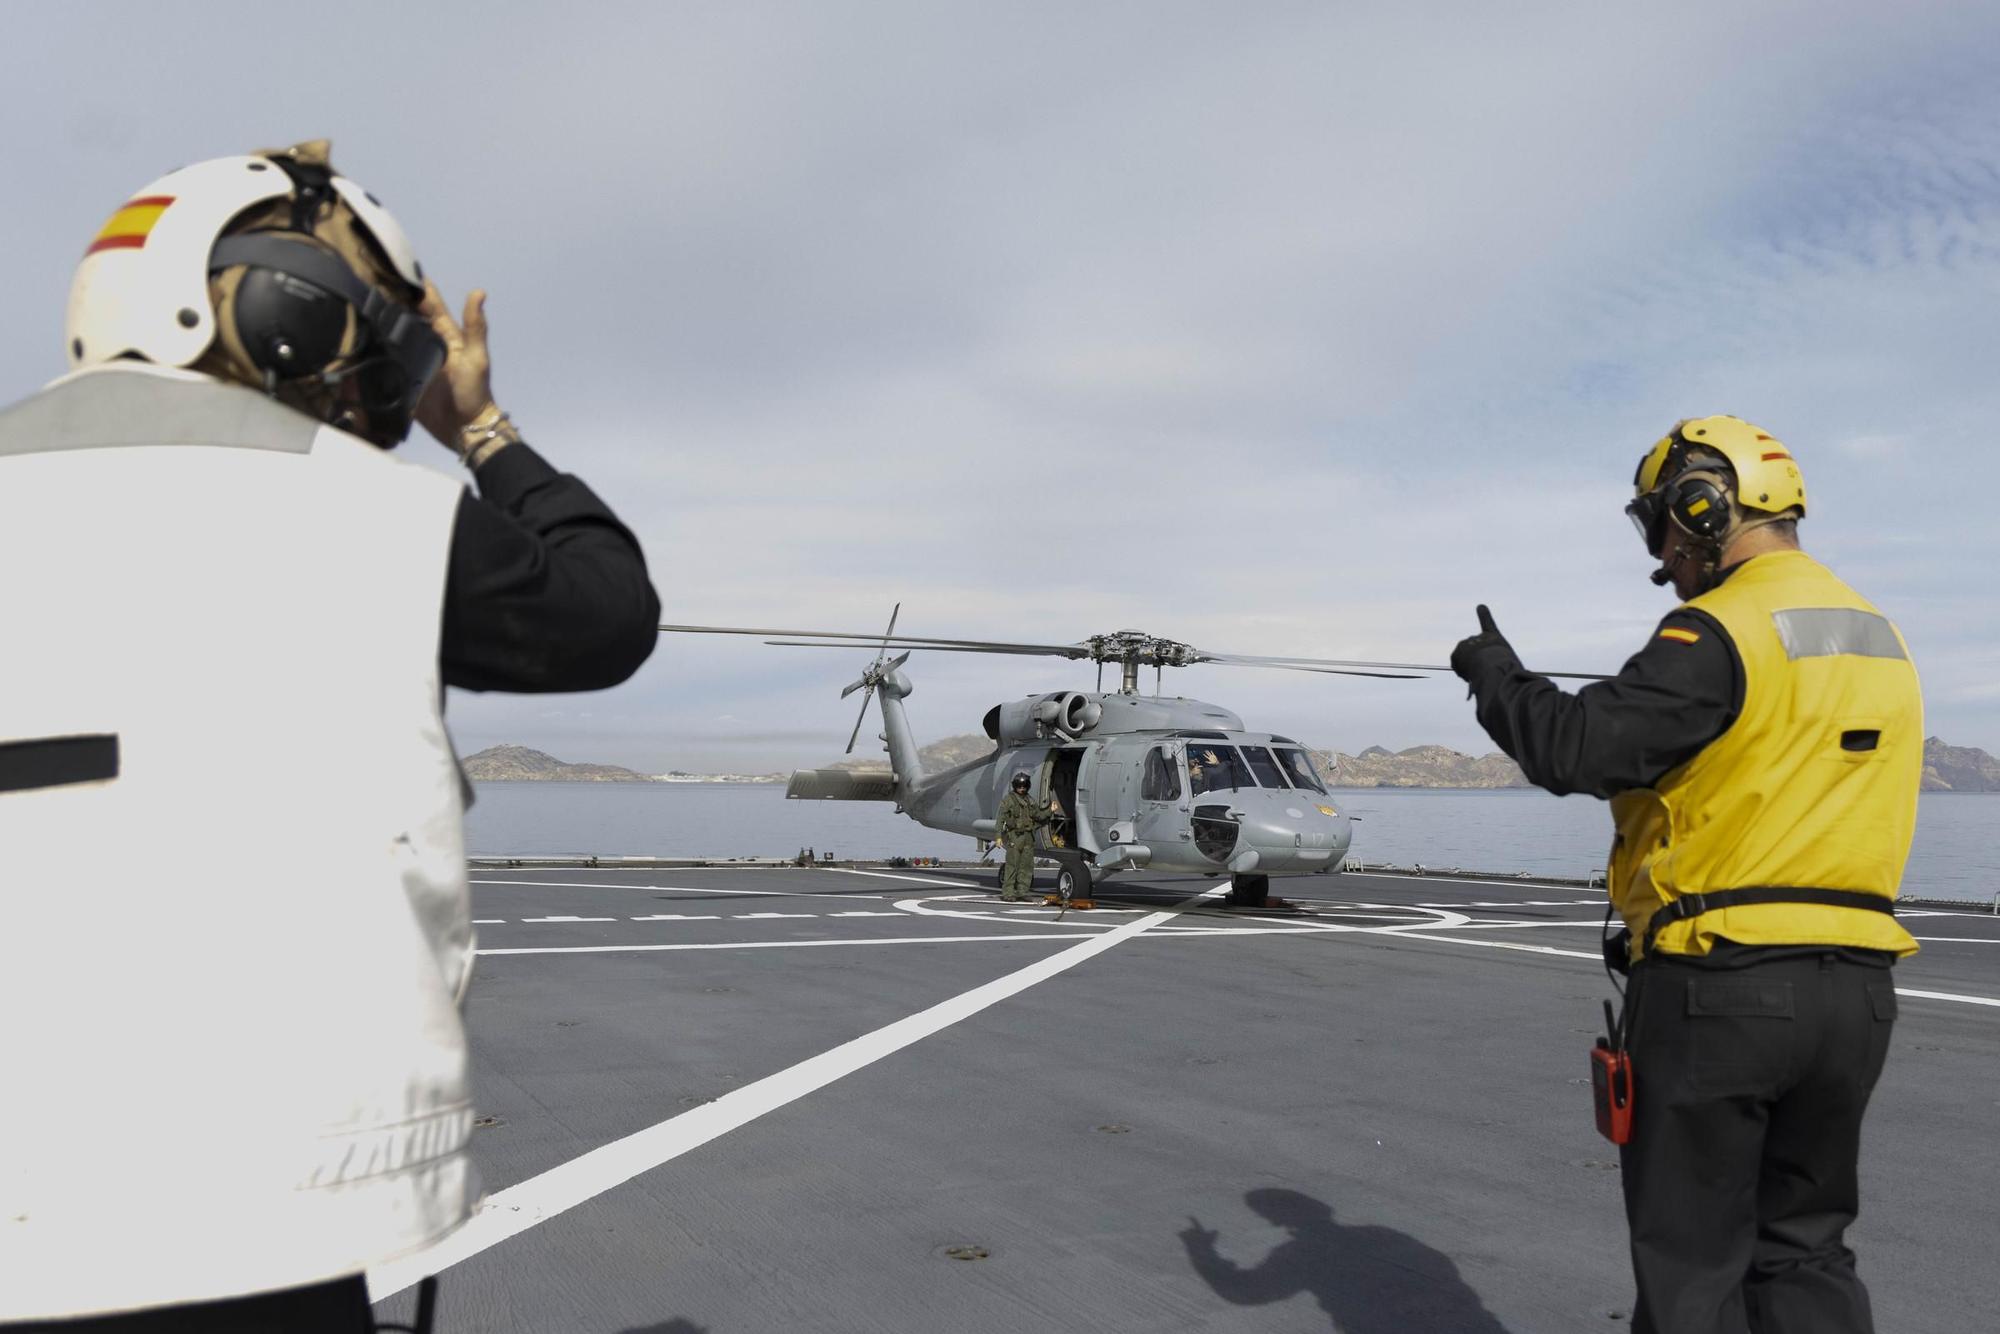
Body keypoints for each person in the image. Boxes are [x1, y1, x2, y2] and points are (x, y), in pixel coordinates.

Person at [0, 142, 660, 1330]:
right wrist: (482, 426)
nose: (374, 402)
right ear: (286, 318)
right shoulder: (370, 519)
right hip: (246, 1217)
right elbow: (605, 613)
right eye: (373, 354)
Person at [1450, 416, 1919, 1334]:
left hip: (1722, 989)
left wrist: (1493, 675)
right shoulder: (1883, 640)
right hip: (1857, 997)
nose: (1664, 559)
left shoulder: (1716, 631)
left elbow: (1575, 747)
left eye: (1661, 526)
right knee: (1808, 1253)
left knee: (1693, 1266)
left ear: (1702, 506)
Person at [995, 771, 1058, 902]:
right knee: (1012, 865)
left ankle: (1022, 892)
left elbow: (1039, 815)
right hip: (1015, 836)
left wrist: (1050, 810)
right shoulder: (1009, 800)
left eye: (1023, 786)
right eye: (1019, 786)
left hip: (1029, 836)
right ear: (1015, 786)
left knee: (1027, 866)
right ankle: (1008, 892)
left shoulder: (1030, 800)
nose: (1021, 789)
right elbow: (1000, 819)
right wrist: (998, 837)